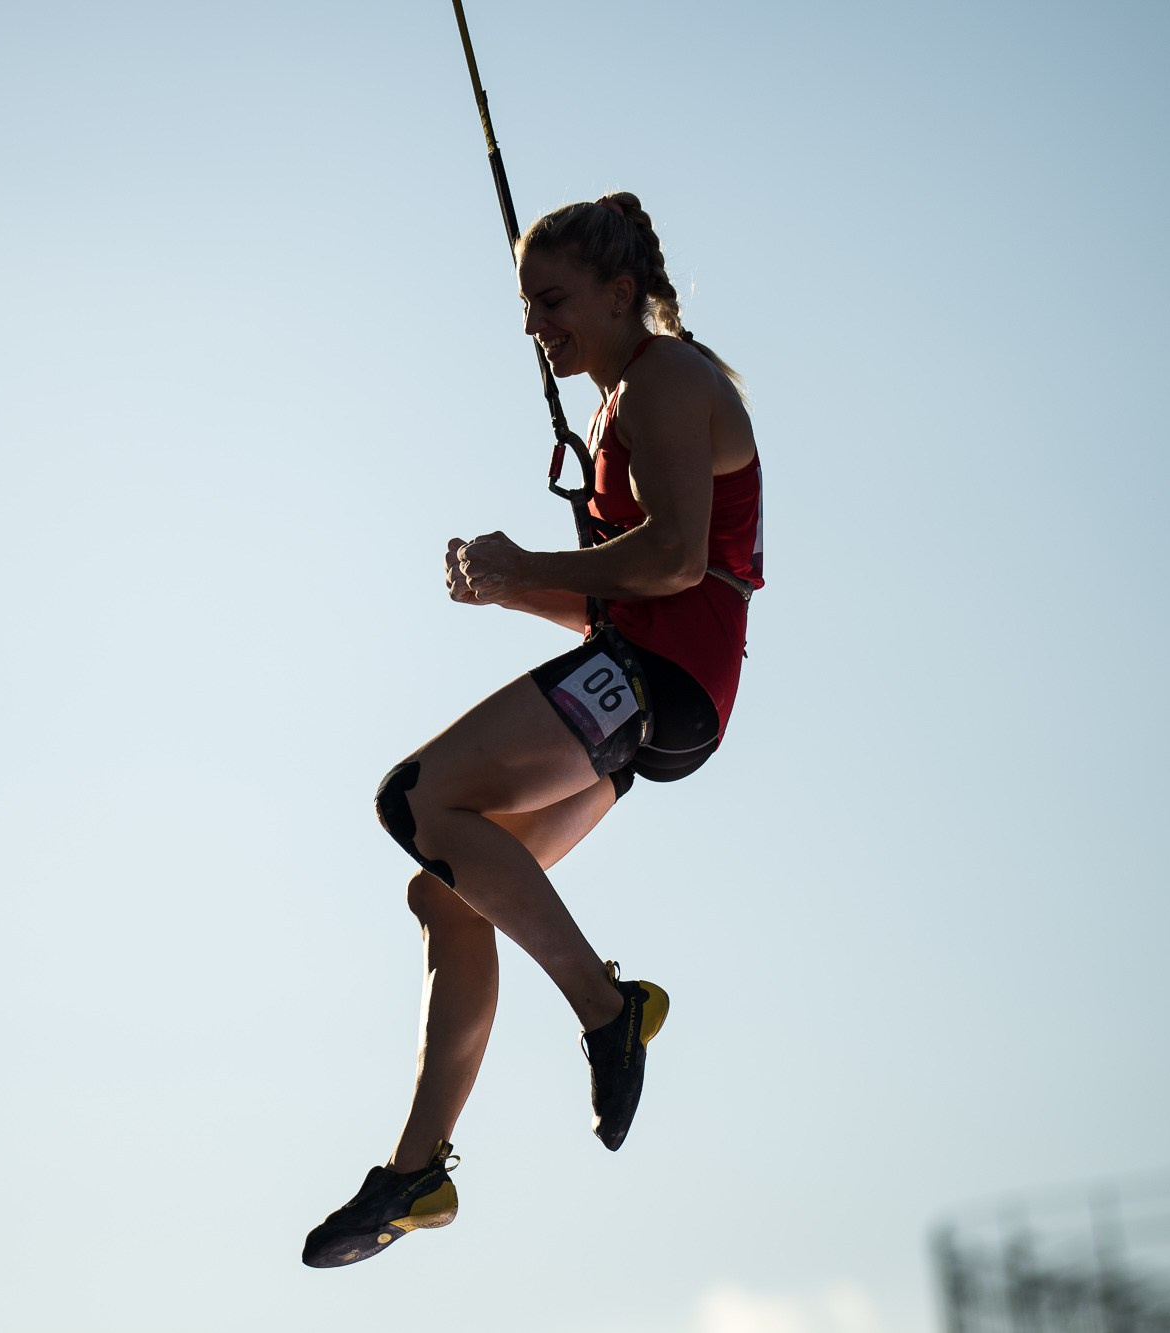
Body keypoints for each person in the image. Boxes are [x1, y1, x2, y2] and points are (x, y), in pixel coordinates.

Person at [301, 192, 763, 1269]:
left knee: (413, 800)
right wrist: (512, 589)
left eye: (550, 301)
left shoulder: (666, 381)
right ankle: (415, 1174)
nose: (531, 326)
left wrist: (522, 568)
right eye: (524, 305)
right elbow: (627, 592)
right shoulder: (617, 408)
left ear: (620, 293)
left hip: (659, 678)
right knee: (446, 888)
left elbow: (675, 563)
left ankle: (608, 1011)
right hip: (656, 684)